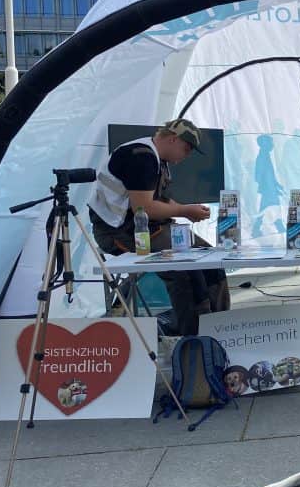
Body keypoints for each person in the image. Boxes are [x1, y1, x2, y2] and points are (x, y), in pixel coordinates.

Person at [89, 118, 231, 335]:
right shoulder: (141, 157)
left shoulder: (156, 158)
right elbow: (144, 208)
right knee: (183, 269)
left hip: (149, 228)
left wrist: (188, 210)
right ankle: (192, 335)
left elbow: (162, 202)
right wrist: (184, 211)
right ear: (173, 139)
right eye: (187, 149)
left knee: (211, 260)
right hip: (119, 232)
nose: (187, 155)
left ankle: (221, 327)